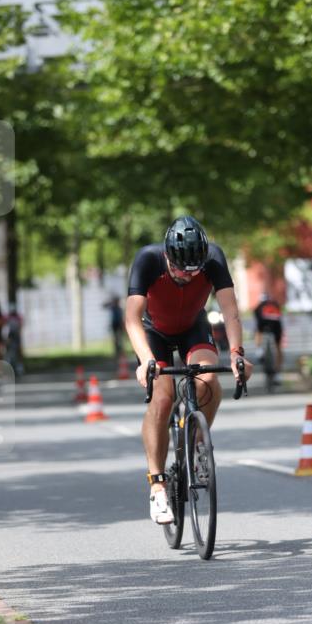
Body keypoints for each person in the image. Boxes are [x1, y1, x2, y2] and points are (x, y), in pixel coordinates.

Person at [126, 215, 253, 525]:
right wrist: (146, 361)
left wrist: (237, 354)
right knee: (163, 397)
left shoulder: (214, 258)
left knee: (208, 379)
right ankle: (157, 485)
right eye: (178, 271)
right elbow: (132, 318)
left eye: (191, 273)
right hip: (153, 331)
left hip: (192, 327)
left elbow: (231, 313)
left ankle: (197, 445)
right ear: (167, 256)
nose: (184, 277)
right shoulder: (147, 259)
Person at [253, 292, 284, 374]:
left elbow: (257, 319)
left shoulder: (259, 307)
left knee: (257, 331)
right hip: (276, 327)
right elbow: (280, 316)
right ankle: (278, 371)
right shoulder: (275, 304)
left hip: (262, 326)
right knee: (278, 347)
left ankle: (259, 351)